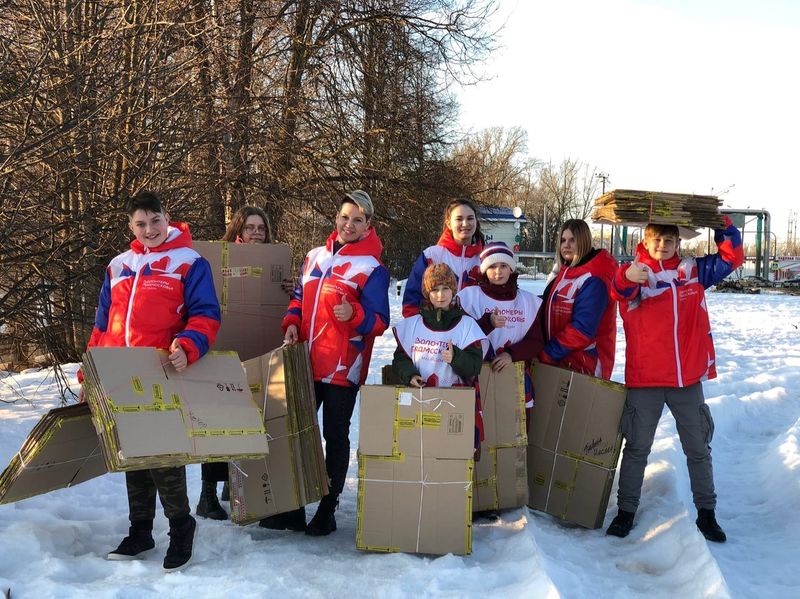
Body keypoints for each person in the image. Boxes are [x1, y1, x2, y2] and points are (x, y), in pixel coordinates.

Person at [82, 190, 221, 571]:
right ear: (131, 226)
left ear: (167, 217)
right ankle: (140, 531)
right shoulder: (117, 266)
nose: (149, 230)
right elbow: (101, 326)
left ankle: (181, 528)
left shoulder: (189, 262)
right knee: (134, 457)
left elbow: (206, 315)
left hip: (163, 371)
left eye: (155, 221)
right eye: (141, 224)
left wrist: (189, 345)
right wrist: (89, 372)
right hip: (118, 372)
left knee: (163, 456)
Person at [605, 217, 744, 542]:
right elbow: (617, 290)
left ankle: (707, 514)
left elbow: (731, 258)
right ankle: (626, 512)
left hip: (686, 379)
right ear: (647, 239)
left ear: (677, 243)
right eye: (657, 239)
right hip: (646, 379)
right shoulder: (635, 272)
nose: (663, 245)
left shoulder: (692, 270)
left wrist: (722, 225)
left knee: (698, 449)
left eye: (669, 240)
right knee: (637, 448)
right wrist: (627, 276)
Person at [282, 190, 390, 536]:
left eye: (357, 220)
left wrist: (354, 313)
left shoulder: (372, 268)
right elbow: (298, 299)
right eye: (345, 217)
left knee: (334, 435)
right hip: (306, 361)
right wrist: (292, 325)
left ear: (367, 225)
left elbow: (379, 320)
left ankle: (328, 507)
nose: (349, 224)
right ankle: (292, 504)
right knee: (299, 433)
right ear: (336, 218)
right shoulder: (314, 256)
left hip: (343, 367)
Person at [196, 205, 289, 522]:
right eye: (250, 228)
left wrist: (291, 290)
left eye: (261, 228)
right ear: (238, 231)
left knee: (251, 422)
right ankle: (207, 495)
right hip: (222, 355)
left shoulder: (273, 266)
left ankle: (236, 488)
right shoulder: (218, 263)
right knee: (219, 424)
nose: (257, 233)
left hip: (259, 355)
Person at [392, 263, 486, 455]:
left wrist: (456, 357)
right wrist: (410, 375)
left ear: (453, 291)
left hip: (454, 406)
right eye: (434, 290)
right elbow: (400, 359)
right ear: (427, 293)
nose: (440, 295)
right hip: (420, 404)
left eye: (445, 289)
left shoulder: (467, 325)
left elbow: (475, 367)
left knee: (450, 456)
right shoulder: (413, 325)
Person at [458, 242, 542, 425]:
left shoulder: (528, 302)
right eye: (492, 266)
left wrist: (511, 355)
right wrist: (487, 323)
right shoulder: (469, 297)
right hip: (479, 376)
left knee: (516, 429)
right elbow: (461, 337)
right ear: (484, 270)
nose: (498, 271)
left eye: (503, 265)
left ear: (511, 268)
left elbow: (536, 341)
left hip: (515, 377)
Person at [536, 219, 618, 380]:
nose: (566, 245)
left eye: (572, 240)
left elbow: (583, 329)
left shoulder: (594, 278)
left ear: (584, 241)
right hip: (562, 361)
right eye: (563, 240)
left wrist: (547, 353)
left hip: (585, 365)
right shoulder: (567, 271)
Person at [402, 198, 485, 317]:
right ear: (448, 223)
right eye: (459, 219)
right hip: (435, 329)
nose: (465, 224)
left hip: (472, 330)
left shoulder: (484, 259)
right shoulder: (432, 255)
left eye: (470, 218)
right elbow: (412, 296)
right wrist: (415, 326)